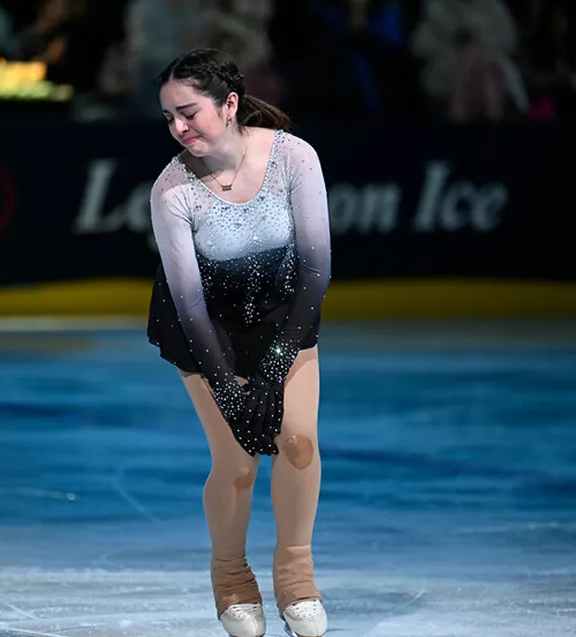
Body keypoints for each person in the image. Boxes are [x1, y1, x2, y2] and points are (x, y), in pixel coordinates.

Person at [146, 47, 331, 637]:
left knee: (298, 441)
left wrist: (276, 368)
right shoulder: (172, 192)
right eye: (169, 117)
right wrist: (229, 387)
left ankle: (296, 577)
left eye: (189, 112)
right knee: (238, 461)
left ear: (228, 105)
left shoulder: (294, 158)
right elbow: (191, 305)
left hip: (284, 318)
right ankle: (230, 576)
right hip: (208, 334)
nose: (178, 128)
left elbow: (316, 270)